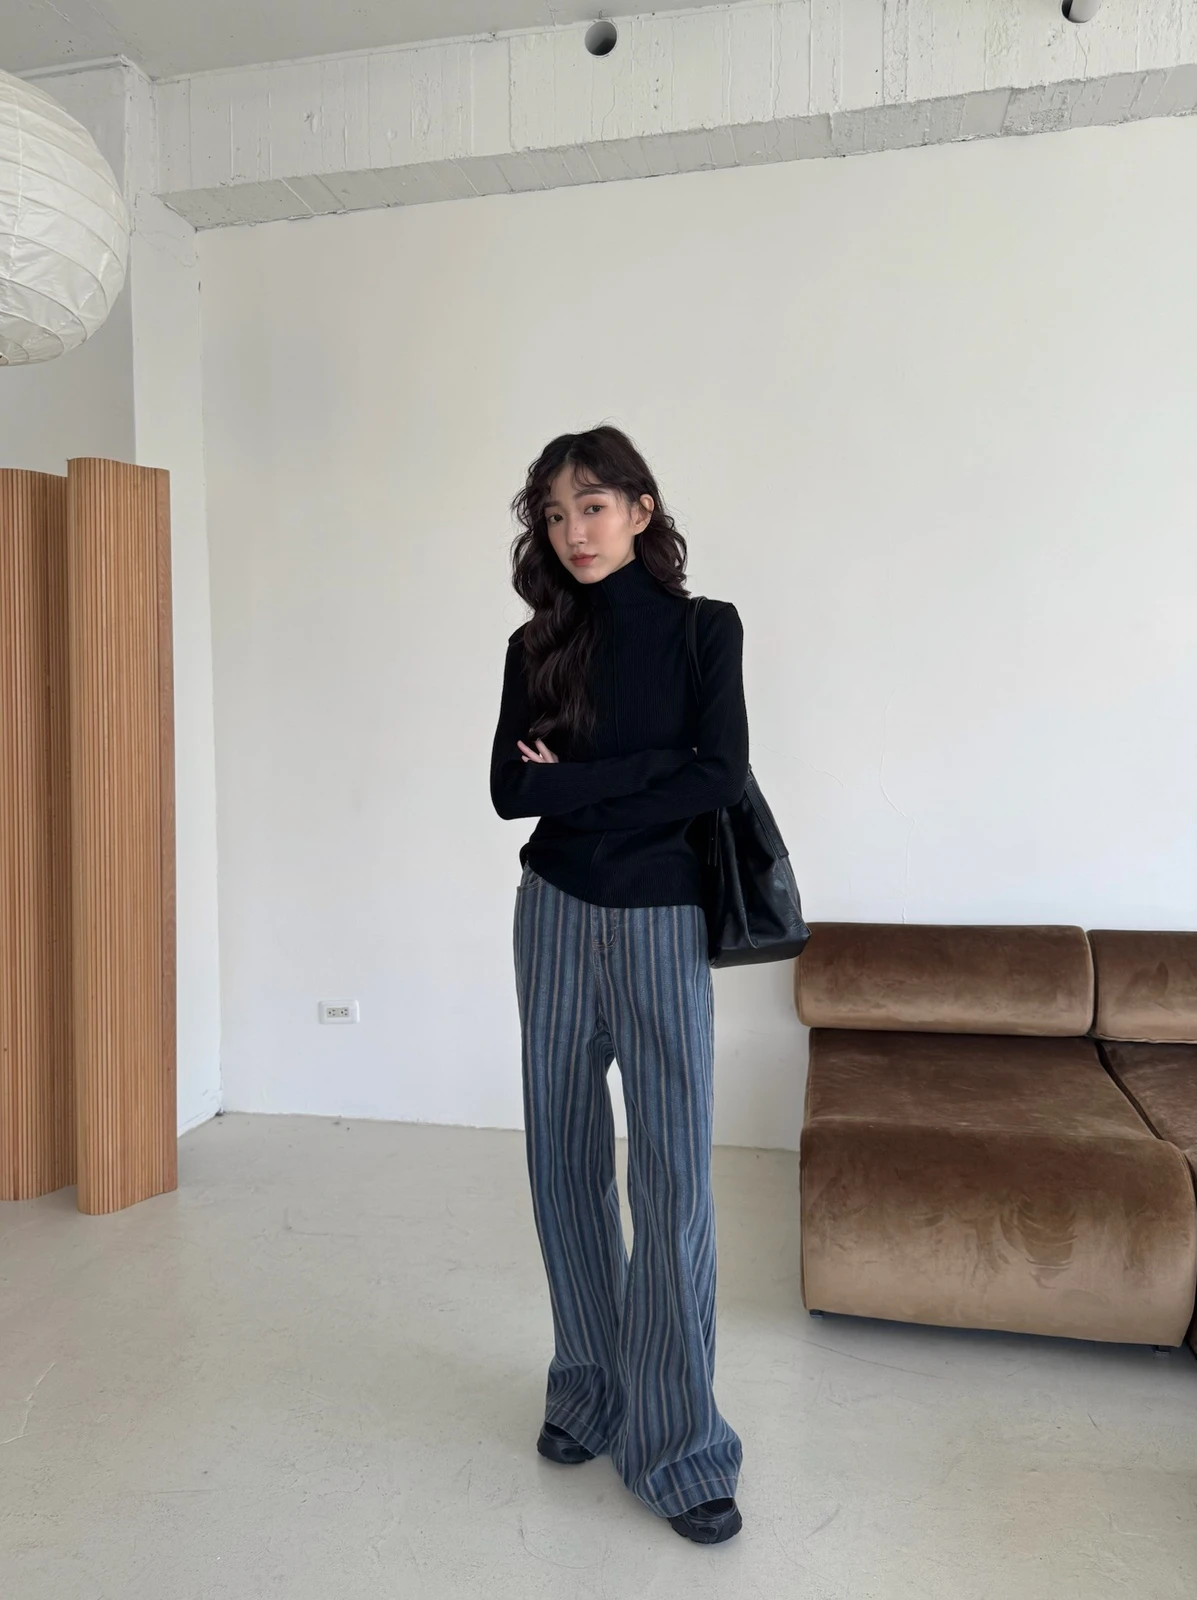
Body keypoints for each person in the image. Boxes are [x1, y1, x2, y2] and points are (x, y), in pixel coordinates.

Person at [489, 425, 748, 1545]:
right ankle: (589, 1390)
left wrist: (583, 778)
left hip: (658, 920)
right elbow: (510, 793)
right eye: (554, 514)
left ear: (641, 510)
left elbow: (719, 774)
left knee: (674, 1177)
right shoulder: (535, 644)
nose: (573, 531)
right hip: (551, 912)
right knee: (563, 1163)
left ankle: (681, 1443)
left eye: (592, 506)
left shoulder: (704, 631)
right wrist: (649, 774)